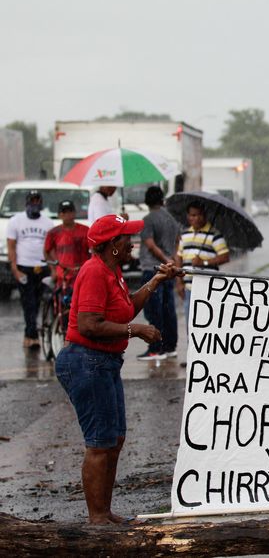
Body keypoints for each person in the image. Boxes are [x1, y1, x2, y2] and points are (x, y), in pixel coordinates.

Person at [53, 214, 183, 524]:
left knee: (114, 440)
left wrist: (155, 281)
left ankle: (104, 512)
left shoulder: (113, 272)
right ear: (112, 244)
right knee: (100, 443)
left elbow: (125, 309)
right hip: (86, 361)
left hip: (104, 362)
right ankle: (97, 518)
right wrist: (135, 330)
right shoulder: (94, 272)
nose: (132, 243)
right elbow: (89, 324)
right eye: (127, 238)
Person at [137, 186, 182, 361]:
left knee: (154, 311)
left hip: (153, 269)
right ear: (162, 200)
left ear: (147, 201)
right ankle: (170, 346)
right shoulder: (171, 219)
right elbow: (177, 242)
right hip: (169, 271)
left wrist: (164, 260)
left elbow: (150, 245)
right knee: (168, 309)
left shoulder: (148, 220)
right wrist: (172, 261)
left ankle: (156, 348)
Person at [7, 190, 55, 348]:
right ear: (27, 203)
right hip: (24, 267)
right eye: (32, 201)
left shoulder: (48, 223)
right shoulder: (16, 221)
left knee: (41, 301)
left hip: (42, 268)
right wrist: (15, 269)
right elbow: (11, 247)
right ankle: (31, 335)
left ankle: (32, 333)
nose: (35, 204)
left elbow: (51, 248)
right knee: (29, 303)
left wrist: (53, 268)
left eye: (37, 201)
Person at [175, 201, 230, 329]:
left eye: (199, 215)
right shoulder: (184, 234)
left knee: (207, 325)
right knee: (191, 326)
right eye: (193, 215)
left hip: (209, 287)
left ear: (205, 215)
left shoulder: (214, 235)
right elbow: (179, 257)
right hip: (189, 288)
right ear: (188, 216)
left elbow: (225, 256)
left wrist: (204, 262)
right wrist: (179, 282)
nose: (196, 218)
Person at [44, 199, 90, 287]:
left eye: (70, 211)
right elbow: (46, 251)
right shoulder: (53, 232)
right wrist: (53, 270)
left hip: (82, 274)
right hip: (62, 276)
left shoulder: (85, 230)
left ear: (75, 213)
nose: (67, 215)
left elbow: (94, 251)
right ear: (59, 215)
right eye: (64, 212)